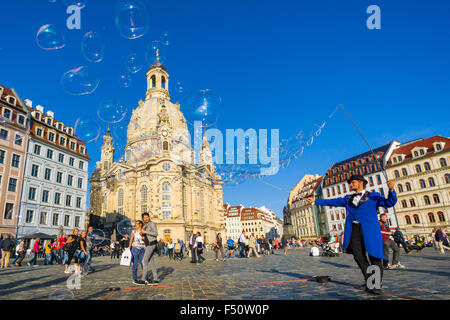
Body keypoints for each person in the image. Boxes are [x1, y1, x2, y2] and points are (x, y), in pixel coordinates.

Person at [307, 174, 397, 295]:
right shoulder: (348, 198)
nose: (350, 185)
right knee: (358, 255)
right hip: (354, 230)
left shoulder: (374, 196)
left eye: (352, 182)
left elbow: (389, 203)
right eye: (350, 183)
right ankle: (370, 280)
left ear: (361, 182)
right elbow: (333, 201)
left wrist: (391, 190)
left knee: (374, 257)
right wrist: (316, 201)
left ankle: (374, 285)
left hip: (370, 230)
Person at [140, 212, 159, 285]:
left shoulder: (152, 224)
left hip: (151, 244)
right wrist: (142, 235)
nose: (146, 219)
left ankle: (143, 279)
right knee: (152, 262)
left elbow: (155, 233)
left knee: (144, 261)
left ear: (149, 217)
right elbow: (146, 237)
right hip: (148, 244)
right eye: (144, 218)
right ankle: (156, 279)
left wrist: (146, 232)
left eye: (147, 217)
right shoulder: (145, 225)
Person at [129, 220, 146, 285]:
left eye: (137, 224)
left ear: (140, 224)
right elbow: (131, 240)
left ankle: (145, 278)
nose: (136, 225)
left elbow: (145, 239)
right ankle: (135, 279)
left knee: (143, 264)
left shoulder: (143, 231)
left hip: (142, 249)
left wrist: (143, 236)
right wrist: (129, 248)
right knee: (135, 264)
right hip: (135, 249)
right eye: (135, 224)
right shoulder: (134, 231)